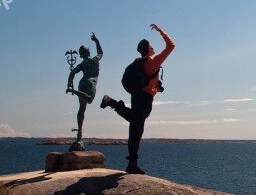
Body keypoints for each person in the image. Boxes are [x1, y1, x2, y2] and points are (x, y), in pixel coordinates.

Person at [100, 24, 175, 175]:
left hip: (136, 96)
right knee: (136, 123)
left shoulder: (139, 64)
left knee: (135, 130)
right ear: (148, 49)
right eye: (152, 45)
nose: (154, 47)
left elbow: (147, 80)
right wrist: (161, 31)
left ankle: (132, 164)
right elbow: (171, 46)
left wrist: (157, 87)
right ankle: (111, 102)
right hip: (144, 99)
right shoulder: (152, 61)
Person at [66, 32, 103, 141]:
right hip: (90, 82)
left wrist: (69, 83)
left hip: (82, 82)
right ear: (89, 53)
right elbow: (101, 52)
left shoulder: (82, 64)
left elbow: (72, 73)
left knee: (81, 109)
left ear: (81, 55)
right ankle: (73, 91)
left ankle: (79, 133)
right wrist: (96, 41)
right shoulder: (95, 60)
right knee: (90, 100)